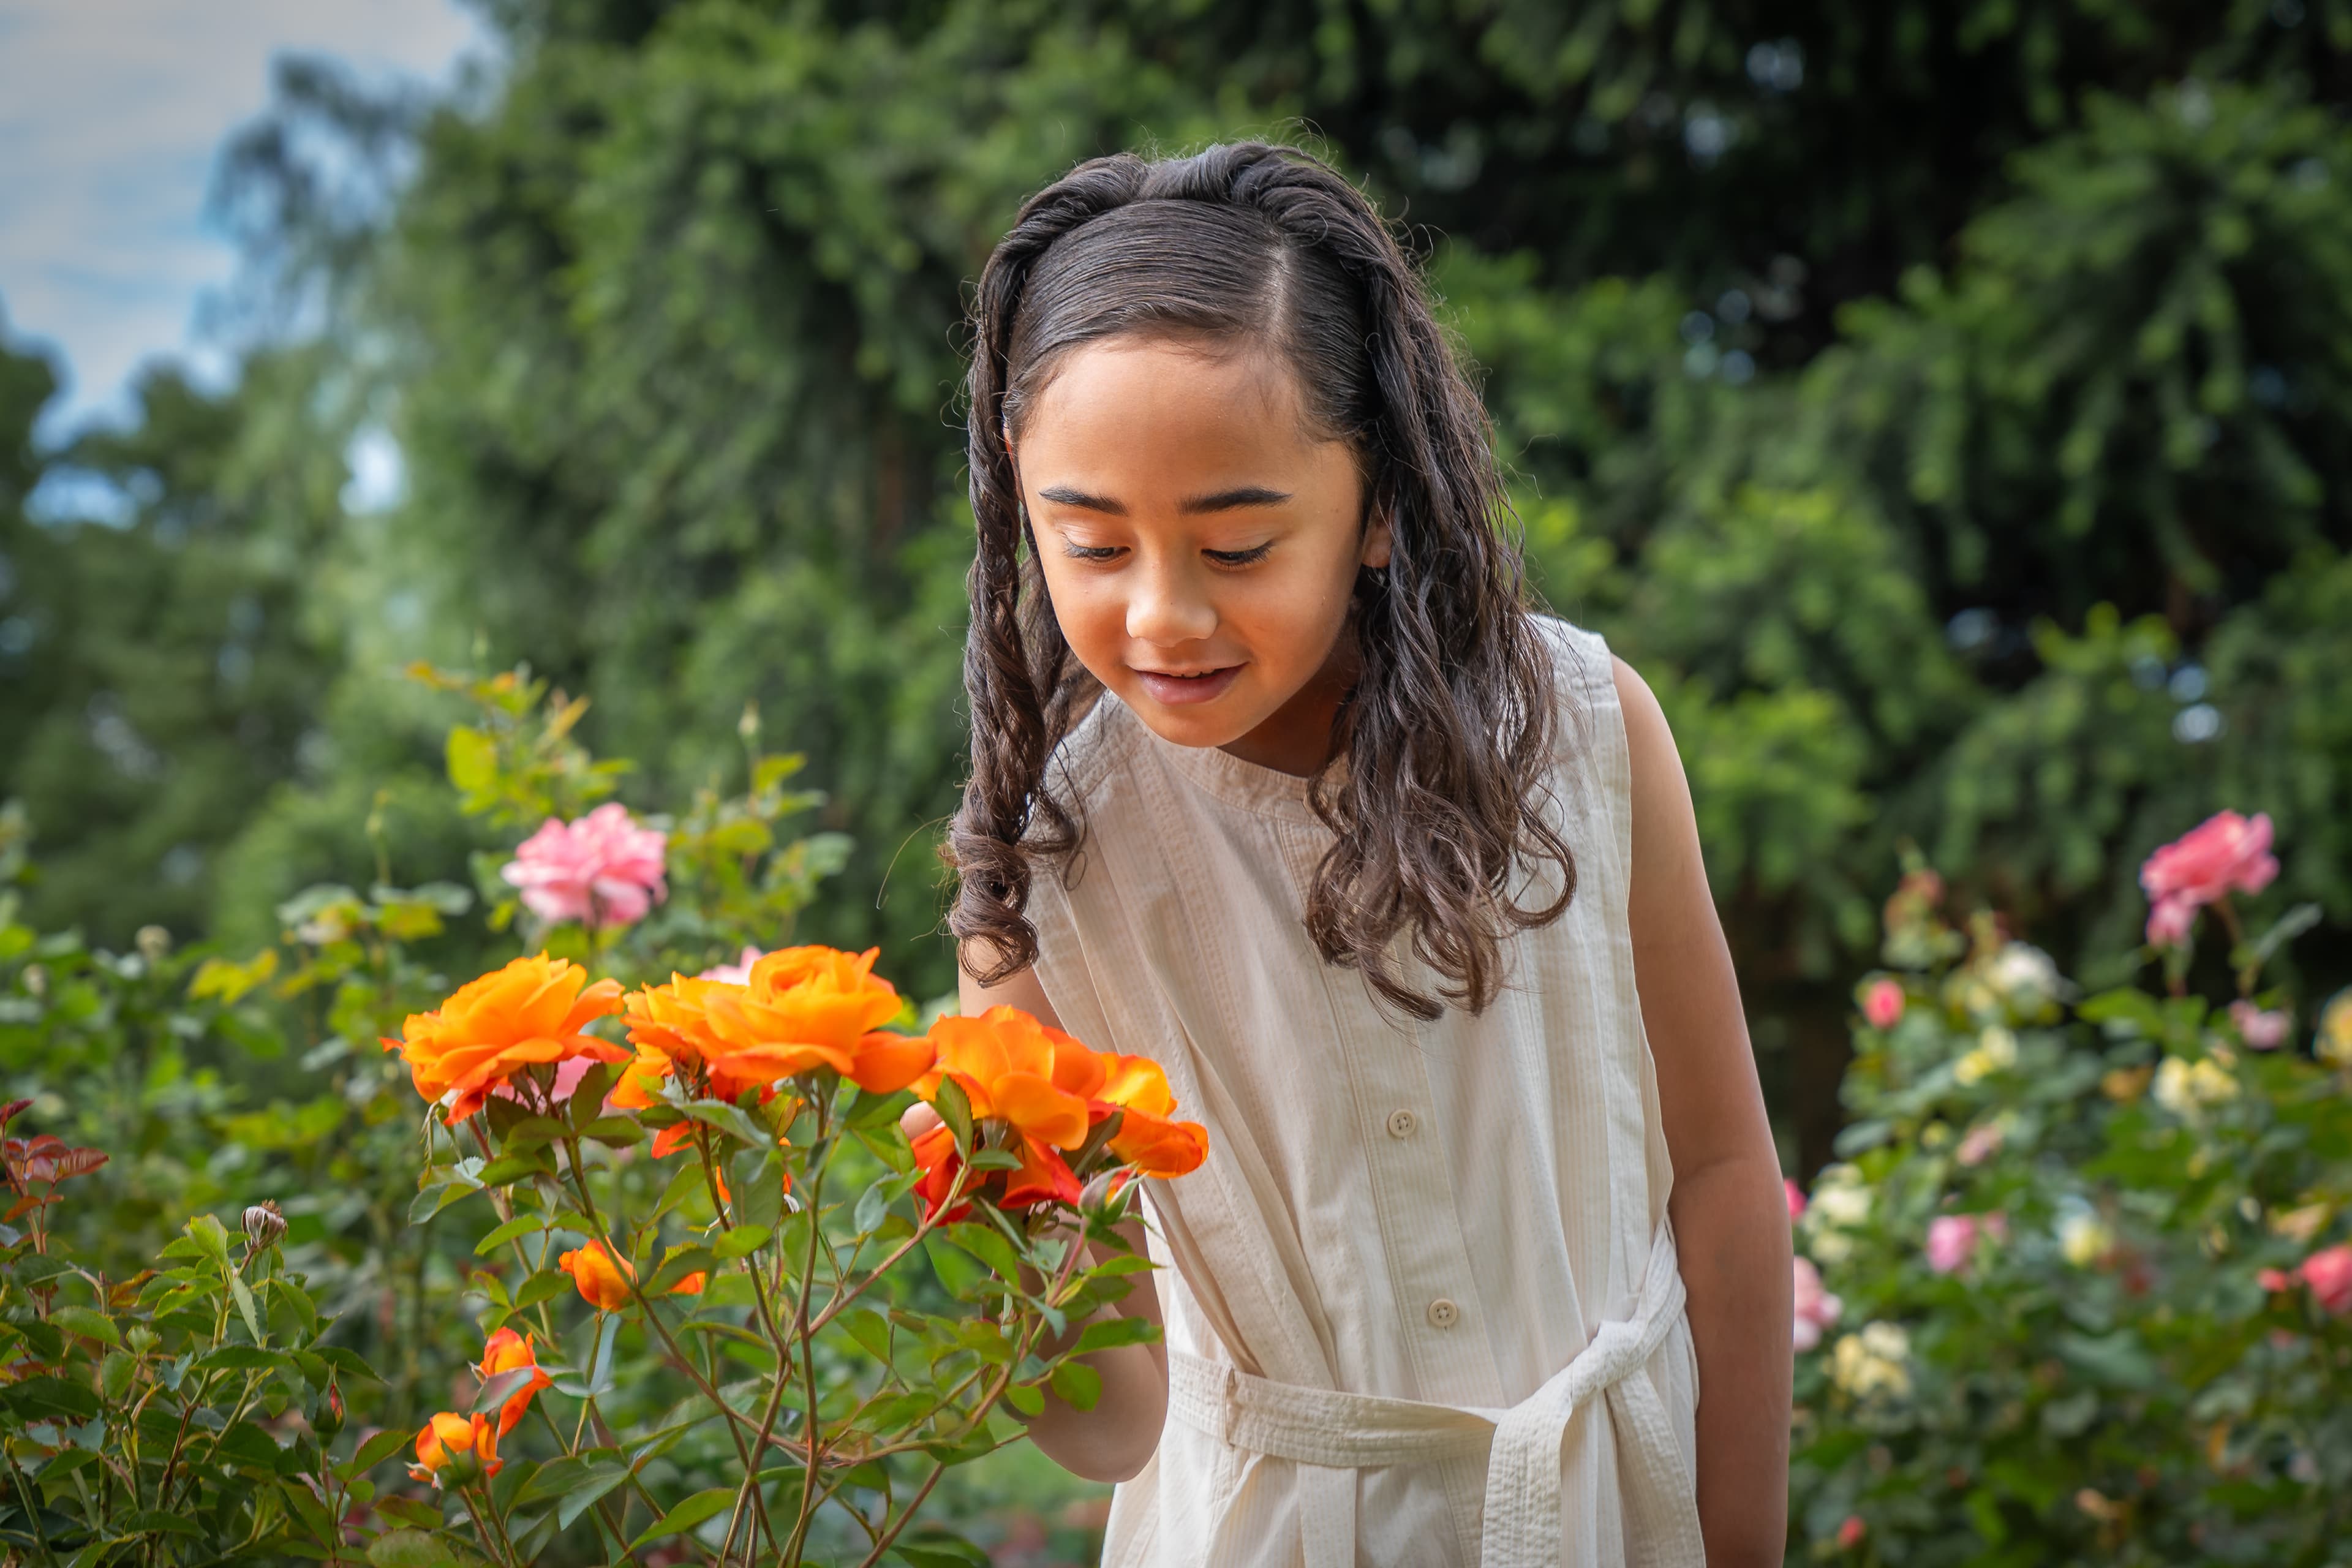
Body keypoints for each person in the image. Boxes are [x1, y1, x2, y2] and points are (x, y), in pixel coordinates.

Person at [926, 141, 1789, 1567]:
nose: (1163, 616)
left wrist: (1743, 1542)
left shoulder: (1578, 727)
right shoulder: (1042, 876)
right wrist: (992, 1234)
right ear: (1023, 504)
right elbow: (1111, 1427)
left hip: (1606, 1519)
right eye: (1090, 544)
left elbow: (1717, 1166)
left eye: (1239, 546)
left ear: (1378, 504)